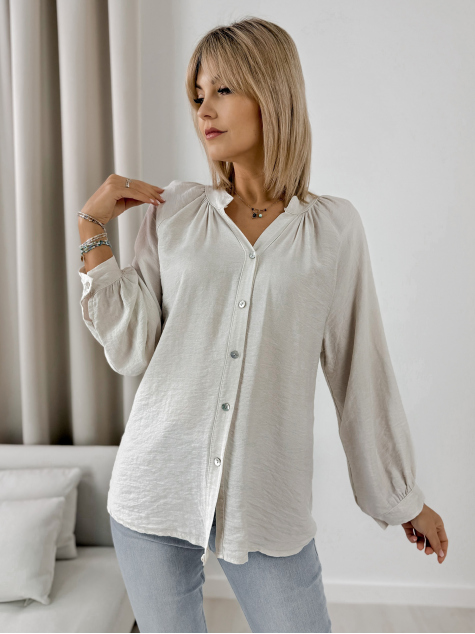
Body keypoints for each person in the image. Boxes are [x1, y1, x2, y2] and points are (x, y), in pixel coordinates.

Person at [77, 16, 448, 634]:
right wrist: (92, 231)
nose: (204, 109)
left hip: (266, 505)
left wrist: (403, 499)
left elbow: (361, 371)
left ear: (271, 93)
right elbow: (134, 348)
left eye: (223, 89)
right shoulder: (175, 211)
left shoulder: (332, 230)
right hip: (153, 489)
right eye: (198, 94)